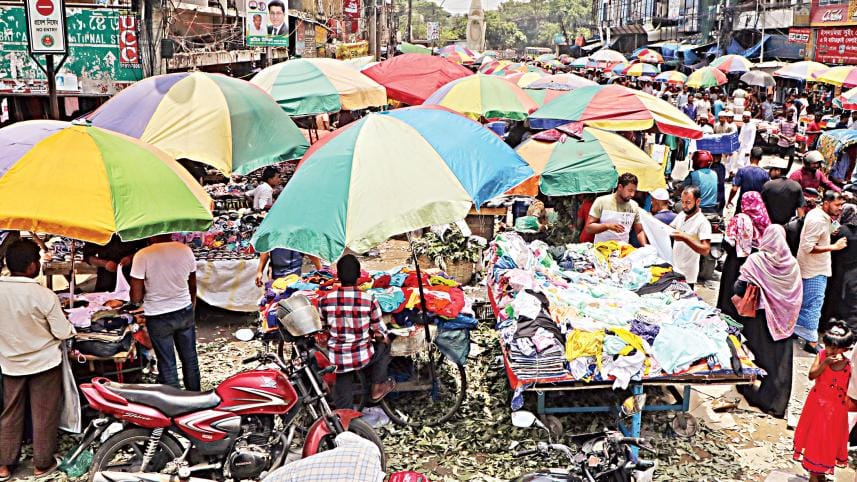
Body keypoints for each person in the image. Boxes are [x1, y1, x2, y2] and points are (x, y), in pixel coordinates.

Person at [0, 240, 75, 480]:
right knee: (44, 413)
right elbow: (63, 332)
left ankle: (3, 465)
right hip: (44, 363)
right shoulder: (43, 295)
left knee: (10, 412)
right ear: (32, 266)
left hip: (10, 361)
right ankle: (42, 464)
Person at [730, 225, 801, 418]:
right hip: (784, 321)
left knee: (756, 354)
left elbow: (739, 287)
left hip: (760, 319)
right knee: (780, 363)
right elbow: (796, 295)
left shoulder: (757, 261)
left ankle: (753, 392)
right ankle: (777, 404)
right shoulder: (792, 264)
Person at [317, 255, 395, 409]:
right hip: (362, 356)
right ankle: (377, 387)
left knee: (343, 384)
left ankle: (344, 421)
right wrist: (383, 338)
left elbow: (322, 328)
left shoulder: (325, 300)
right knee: (385, 345)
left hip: (337, 358)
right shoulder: (368, 299)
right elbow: (380, 331)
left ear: (338, 276)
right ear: (359, 276)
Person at [130, 234, 200, 390]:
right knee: (190, 360)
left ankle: (175, 406)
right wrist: (191, 306)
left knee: (167, 364)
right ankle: (197, 400)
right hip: (184, 310)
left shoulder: (142, 255)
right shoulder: (185, 250)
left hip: (158, 315)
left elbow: (136, 297)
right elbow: (193, 285)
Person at [792, 321, 854, 482]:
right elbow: (812, 375)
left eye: (835, 347)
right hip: (817, 406)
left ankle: (820, 473)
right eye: (828, 346)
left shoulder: (850, 366)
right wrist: (825, 363)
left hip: (836, 411)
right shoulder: (821, 356)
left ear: (846, 349)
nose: (830, 350)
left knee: (828, 441)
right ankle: (814, 474)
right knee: (815, 438)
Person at [794, 191, 848, 352]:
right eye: (837, 205)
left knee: (805, 304)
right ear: (826, 203)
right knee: (814, 305)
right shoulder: (817, 220)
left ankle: (797, 331)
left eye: (841, 205)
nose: (840, 209)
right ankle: (811, 342)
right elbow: (808, 247)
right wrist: (833, 246)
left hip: (813, 268)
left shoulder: (821, 216)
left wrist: (830, 232)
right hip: (813, 270)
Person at [717, 193, 772, 313]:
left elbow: (728, 243)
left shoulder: (740, 219)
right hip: (755, 265)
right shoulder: (765, 220)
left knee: (729, 294)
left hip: (735, 263)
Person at [585, 173, 648, 245]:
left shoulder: (634, 206)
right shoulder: (601, 201)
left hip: (623, 251)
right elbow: (588, 228)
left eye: (634, 191)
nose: (632, 194)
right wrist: (607, 226)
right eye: (630, 190)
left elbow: (639, 231)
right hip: (601, 250)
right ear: (620, 187)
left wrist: (645, 246)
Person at [823, 204, 857, 335]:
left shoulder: (840, 230)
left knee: (832, 298)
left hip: (836, 269)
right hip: (853, 271)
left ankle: (827, 325)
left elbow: (827, 238)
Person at [669, 186, 712, 288]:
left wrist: (685, 238)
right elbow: (670, 229)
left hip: (687, 275)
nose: (684, 206)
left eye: (688, 202)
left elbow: (705, 250)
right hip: (675, 269)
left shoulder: (703, 223)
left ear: (697, 201)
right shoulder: (681, 215)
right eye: (682, 202)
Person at [762, 157, 806, 225]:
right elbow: (800, 210)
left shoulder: (768, 186)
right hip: (788, 226)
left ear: (778, 171)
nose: (769, 172)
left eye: (771, 169)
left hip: (770, 225)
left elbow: (761, 206)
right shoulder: (796, 186)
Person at [727, 147, 770, 211]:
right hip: (756, 205)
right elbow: (767, 191)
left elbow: (734, 189)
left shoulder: (742, 171)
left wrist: (729, 201)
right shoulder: (764, 174)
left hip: (742, 204)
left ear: (750, 156)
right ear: (760, 158)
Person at [255, 249, 322, 286]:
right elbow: (265, 249)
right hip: (275, 276)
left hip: (294, 278)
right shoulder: (273, 231)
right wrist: (259, 271)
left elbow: (308, 250)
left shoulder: (299, 232)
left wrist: (321, 270)